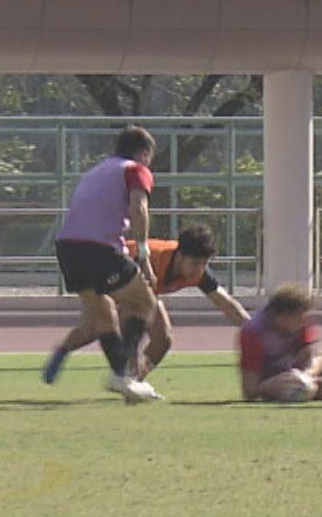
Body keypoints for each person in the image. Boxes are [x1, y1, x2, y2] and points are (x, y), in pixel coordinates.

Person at [46, 125, 165, 402]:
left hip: (67, 247)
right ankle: (124, 374)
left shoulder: (95, 171)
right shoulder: (135, 170)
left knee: (103, 313)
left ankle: (122, 377)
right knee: (144, 302)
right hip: (98, 248)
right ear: (144, 152)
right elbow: (139, 208)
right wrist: (144, 254)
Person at [42, 224, 249, 383]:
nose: (199, 269)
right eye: (195, 263)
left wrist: (254, 329)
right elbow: (129, 311)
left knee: (163, 338)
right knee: (95, 328)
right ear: (180, 255)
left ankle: (134, 380)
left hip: (141, 295)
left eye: (205, 264)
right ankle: (63, 351)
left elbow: (227, 304)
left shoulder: (200, 273)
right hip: (107, 273)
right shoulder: (153, 258)